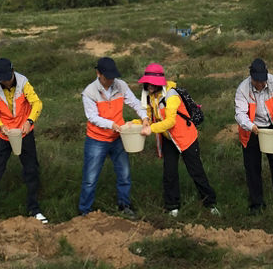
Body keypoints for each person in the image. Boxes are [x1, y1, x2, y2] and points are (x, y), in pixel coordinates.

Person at [139, 62, 215, 217]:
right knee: (169, 172)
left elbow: (170, 121)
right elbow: (148, 115)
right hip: (169, 138)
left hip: (186, 137)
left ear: (159, 83)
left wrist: (151, 129)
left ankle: (210, 204)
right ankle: (172, 206)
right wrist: (140, 122)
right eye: (147, 83)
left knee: (196, 172)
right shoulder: (149, 96)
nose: (149, 86)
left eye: (152, 84)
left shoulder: (171, 96)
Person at [0, 58, 46, 224]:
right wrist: (1, 127)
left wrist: (29, 122)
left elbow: (37, 103)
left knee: (31, 170)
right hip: (4, 135)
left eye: (7, 77)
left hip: (24, 132)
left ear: (12, 72)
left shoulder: (23, 82)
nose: (5, 82)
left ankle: (34, 210)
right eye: (1, 79)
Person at [78, 56, 150, 218]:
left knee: (124, 174)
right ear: (98, 74)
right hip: (97, 139)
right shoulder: (89, 92)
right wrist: (112, 125)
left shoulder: (121, 85)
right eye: (107, 78)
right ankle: (85, 211)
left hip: (118, 138)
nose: (110, 81)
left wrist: (144, 118)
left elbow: (135, 103)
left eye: (112, 77)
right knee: (90, 178)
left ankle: (124, 205)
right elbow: (92, 117)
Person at [234, 58, 273, 212]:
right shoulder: (243, 89)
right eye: (257, 81)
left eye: (263, 81)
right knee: (252, 168)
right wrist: (250, 126)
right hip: (251, 130)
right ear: (251, 77)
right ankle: (257, 204)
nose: (260, 84)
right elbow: (240, 114)